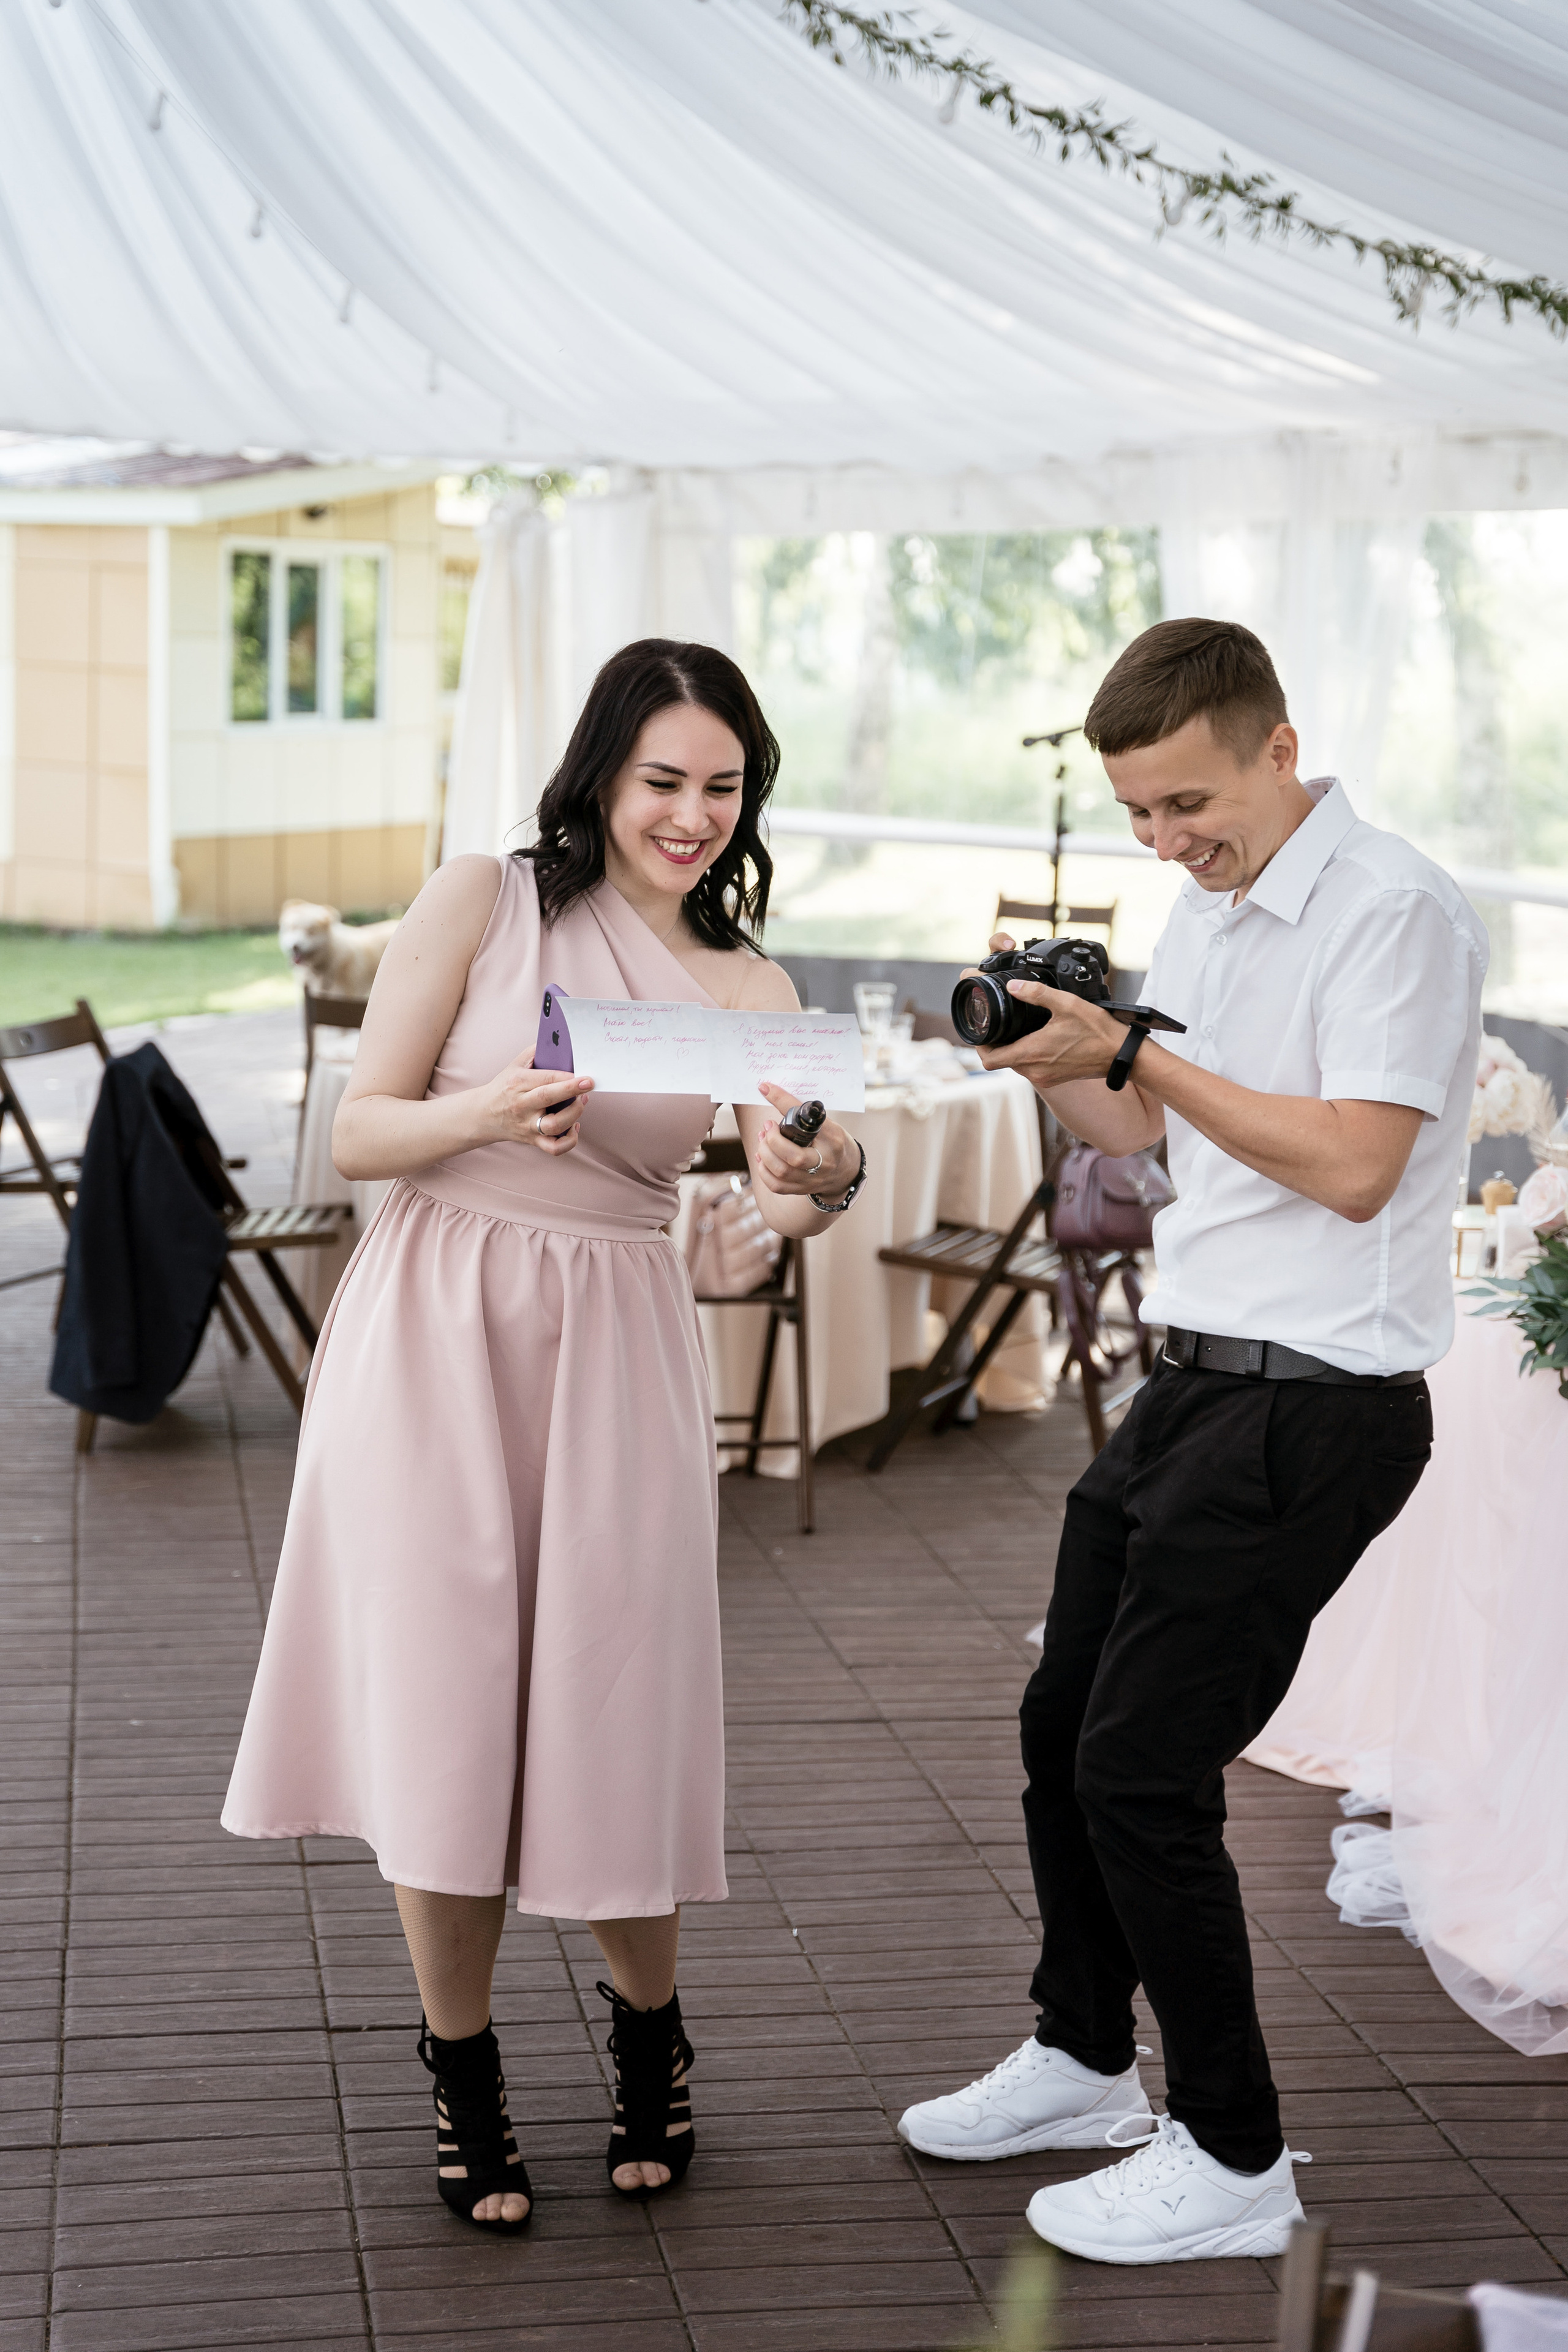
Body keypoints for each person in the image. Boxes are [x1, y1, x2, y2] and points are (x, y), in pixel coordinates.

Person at [222, 639, 865, 2231]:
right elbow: (362, 1130)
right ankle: (465, 2072)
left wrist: (822, 1170)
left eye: (725, 788)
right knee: (443, 1708)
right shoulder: (481, 903)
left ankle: (652, 2036)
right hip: (431, 1329)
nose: (693, 816)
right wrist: (491, 1110)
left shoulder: (746, 987)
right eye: (664, 783)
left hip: (616, 1344)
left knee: (607, 1696)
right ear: (598, 774)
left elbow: (789, 1198)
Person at [898, 618, 1486, 2264]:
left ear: (1279, 745)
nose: (1165, 841)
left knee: (1141, 1765)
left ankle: (1234, 2156)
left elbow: (1359, 1164)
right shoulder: (1208, 907)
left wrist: (1140, 1044)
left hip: (1320, 1406)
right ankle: (1087, 2056)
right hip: (1195, 1386)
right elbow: (1155, 1133)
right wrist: (1056, 1058)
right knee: (1061, 1716)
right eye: (1142, 813)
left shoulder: (1397, 911)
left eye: (1188, 804)